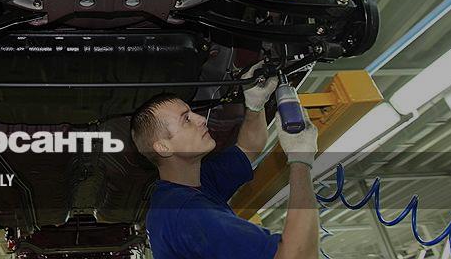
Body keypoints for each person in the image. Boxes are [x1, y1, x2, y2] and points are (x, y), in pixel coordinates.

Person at [129, 73, 318, 258]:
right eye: (186, 119)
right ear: (163, 148)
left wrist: (255, 106)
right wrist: (300, 161)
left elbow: (248, 148)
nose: (201, 119)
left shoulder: (191, 182)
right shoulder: (188, 213)